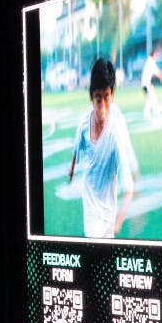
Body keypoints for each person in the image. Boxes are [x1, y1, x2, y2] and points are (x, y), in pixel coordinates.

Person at [66, 58, 138, 238]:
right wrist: (72, 169)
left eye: (107, 98)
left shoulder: (116, 133)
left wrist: (119, 220)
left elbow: (128, 186)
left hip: (109, 209)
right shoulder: (83, 123)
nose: (103, 108)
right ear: (91, 97)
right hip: (90, 201)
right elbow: (76, 150)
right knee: (94, 247)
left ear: (112, 95)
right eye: (98, 99)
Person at [138, 48, 162, 120]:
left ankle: (154, 111)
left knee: (150, 98)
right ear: (153, 55)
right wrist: (161, 76)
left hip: (145, 84)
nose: (156, 57)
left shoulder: (149, 61)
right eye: (156, 55)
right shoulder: (150, 62)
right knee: (151, 99)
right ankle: (155, 111)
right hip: (146, 84)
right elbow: (156, 70)